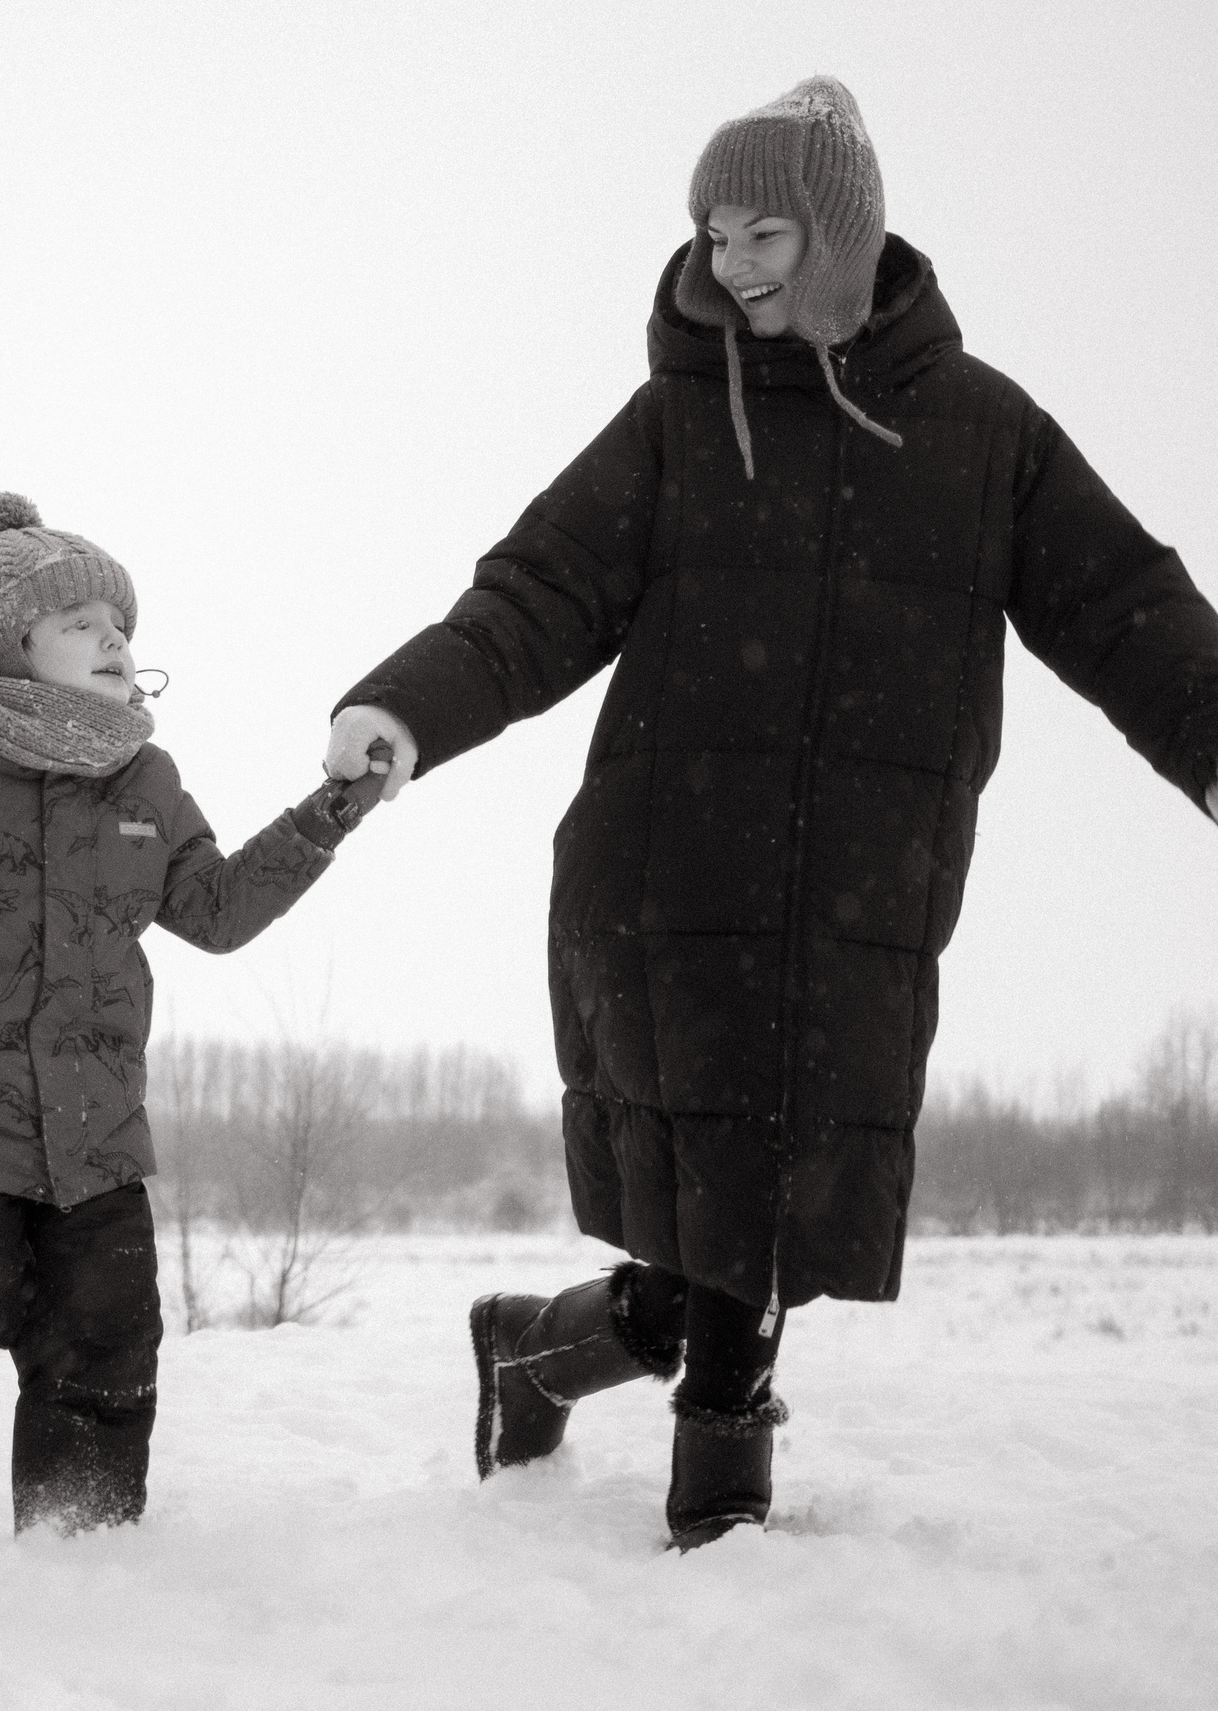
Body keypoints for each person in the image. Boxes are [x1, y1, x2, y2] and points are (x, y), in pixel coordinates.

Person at [324, 77, 1218, 1549]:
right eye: (713, 232)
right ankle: (719, 1498)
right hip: (668, 868)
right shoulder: (679, 421)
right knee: (741, 1186)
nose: (729, 264)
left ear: (844, 234)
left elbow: (1126, 610)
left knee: (739, 1222)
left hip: (869, 881)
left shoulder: (988, 437)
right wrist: (406, 707)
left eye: (764, 234)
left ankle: (539, 1348)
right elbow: (536, 595)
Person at [0, 493, 377, 1533]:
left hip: (95, 1130)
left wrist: (328, 812)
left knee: (108, 1327)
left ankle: (76, 1548)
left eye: (119, 624)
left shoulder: (143, 778)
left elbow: (214, 912)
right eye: (80, 623)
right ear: (11, 645)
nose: (112, 640)